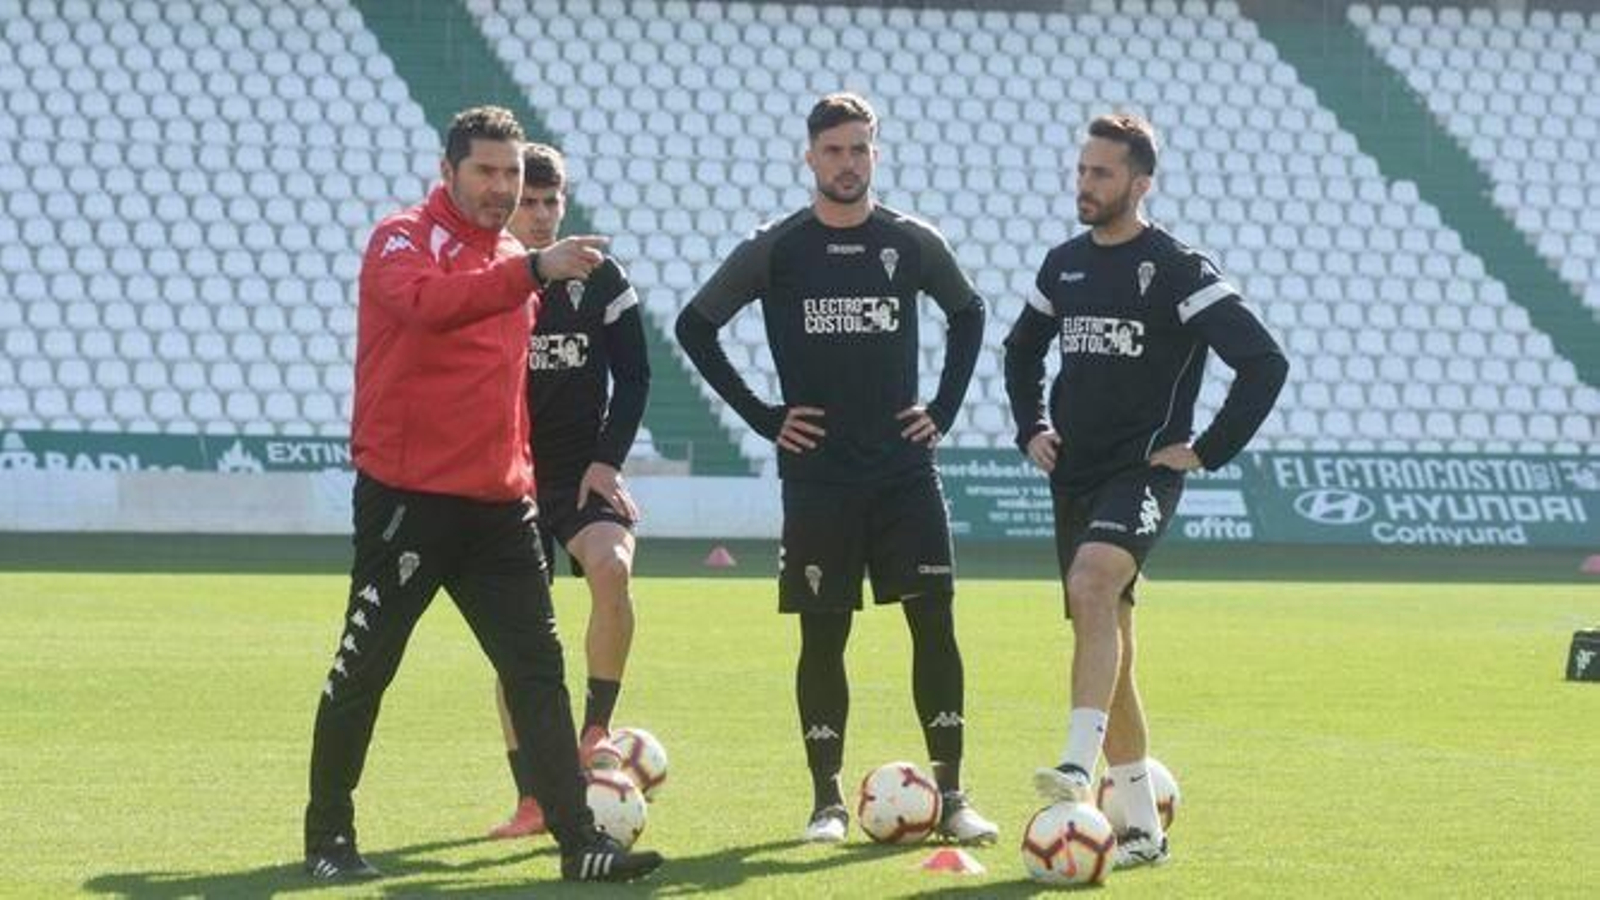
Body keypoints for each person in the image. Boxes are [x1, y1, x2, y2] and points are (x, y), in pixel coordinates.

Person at [301, 106, 662, 884]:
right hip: (409, 501)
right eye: (487, 172)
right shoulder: (401, 239)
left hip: (501, 506)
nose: (502, 187)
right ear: (448, 171)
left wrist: (533, 474)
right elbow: (431, 306)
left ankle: (579, 843)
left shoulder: (510, 257)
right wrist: (531, 271)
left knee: (537, 672)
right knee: (365, 666)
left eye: (513, 173)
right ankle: (328, 839)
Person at [675, 92, 998, 845]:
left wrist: (943, 409)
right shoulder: (778, 247)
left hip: (904, 474)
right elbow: (696, 325)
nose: (846, 164)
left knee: (934, 625)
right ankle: (826, 802)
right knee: (823, 637)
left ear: (874, 154)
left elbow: (970, 312)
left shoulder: (911, 242)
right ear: (810, 157)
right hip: (819, 478)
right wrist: (765, 417)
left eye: (858, 149)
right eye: (833, 151)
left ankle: (953, 796)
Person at [1004, 113, 1288, 868]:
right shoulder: (1063, 265)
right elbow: (1020, 351)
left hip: (1142, 473)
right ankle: (1140, 831)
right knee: (1112, 645)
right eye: (1082, 170)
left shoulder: (1177, 269)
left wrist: (1208, 449)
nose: (1085, 184)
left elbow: (1264, 362)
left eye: (1101, 173)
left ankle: (1076, 764)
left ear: (1140, 183)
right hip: (1074, 475)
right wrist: (1031, 425)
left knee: (1092, 582)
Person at [487, 143, 651, 839]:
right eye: (528, 201)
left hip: (581, 472)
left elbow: (635, 376)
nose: (541, 213)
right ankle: (532, 800)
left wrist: (607, 462)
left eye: (551, 201)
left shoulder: (600, 276)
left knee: (613, 567)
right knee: (519, 640)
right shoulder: (488, 276)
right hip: (508, 477)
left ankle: (596, 730)